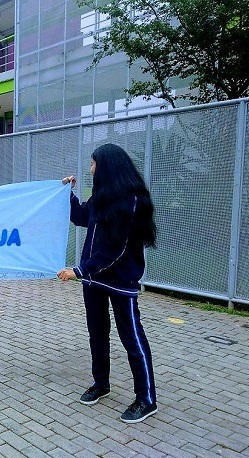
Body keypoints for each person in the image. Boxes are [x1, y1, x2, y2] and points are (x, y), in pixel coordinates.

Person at [58, 143, 158, 423]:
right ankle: (101, 384)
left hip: (120, 282)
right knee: (97, 333)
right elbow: (80, 217)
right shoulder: (101, 197)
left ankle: (146, 399)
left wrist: (79, 270)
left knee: (132, 338)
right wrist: (67, 193)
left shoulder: (131, 200)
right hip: (94, 281)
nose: (90, 169)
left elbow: (116, 247)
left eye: (93, 164)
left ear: (108, 166)